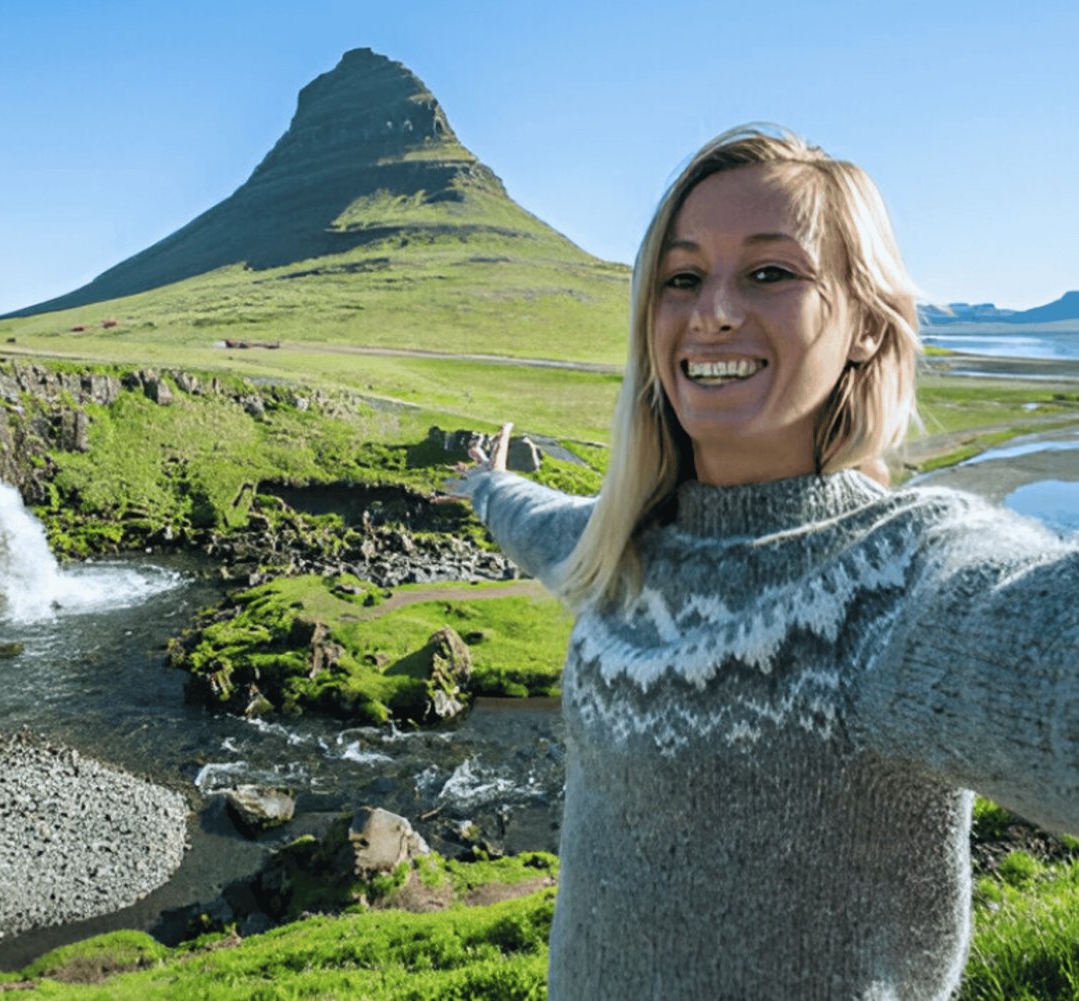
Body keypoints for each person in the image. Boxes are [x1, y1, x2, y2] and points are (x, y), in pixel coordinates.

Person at [446, 125, 1079, 1000]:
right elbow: (543, 524)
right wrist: (484, 486)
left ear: (864, 324)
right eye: (682, 278)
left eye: (770, 273)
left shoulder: (895, 582)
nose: (713, 311)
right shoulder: (624, 544)